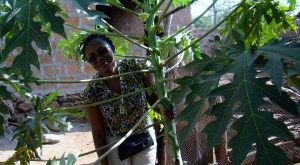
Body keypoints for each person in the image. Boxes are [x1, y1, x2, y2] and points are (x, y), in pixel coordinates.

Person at [81, 34, 158, 165]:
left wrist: (167, 110)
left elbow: (154, 100)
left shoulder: (137, 69)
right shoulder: (91, 92)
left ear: (112, 48)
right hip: (115, 144)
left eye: (102, 51)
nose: (99, 59)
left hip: (144, 137)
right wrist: (104, 163)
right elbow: (98, 133)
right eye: (92, 58)